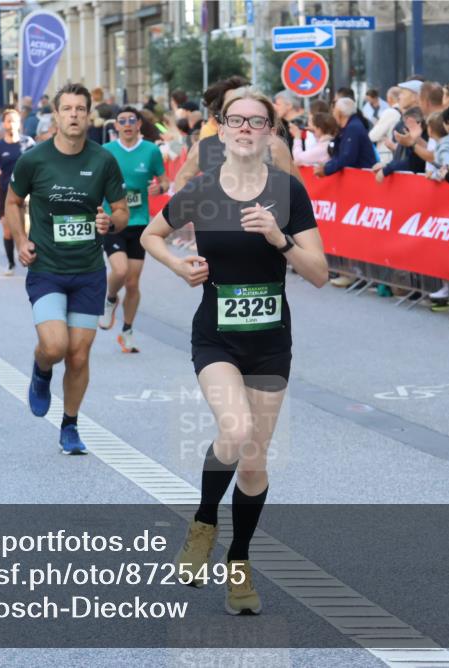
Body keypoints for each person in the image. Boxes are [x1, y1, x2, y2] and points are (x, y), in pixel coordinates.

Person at [140, 88, 327, 615]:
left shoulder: (288, 193)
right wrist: (181, 267)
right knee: (237, 431)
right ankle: (203, 522)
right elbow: (152, 236)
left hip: (270, 342)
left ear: (270, 132)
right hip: (216, 335)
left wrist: (279, 239)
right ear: (221, 131)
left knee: (254, 461)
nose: (245, 129)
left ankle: (238, 563)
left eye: (257, 121)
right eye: (236, 121)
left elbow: (319, 274)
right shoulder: (201, 191)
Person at [4, 83, 128, 455]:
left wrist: (111, 223)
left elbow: (121, 210)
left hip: (89, 271)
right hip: (47, 269)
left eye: (80, 109)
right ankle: (41, 371)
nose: (74, 115)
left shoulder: (102, 160)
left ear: (89, 115)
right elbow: (12, 202)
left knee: (78, 354)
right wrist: (20, 240)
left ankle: (70, 425)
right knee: (56, 346)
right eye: (67, 109)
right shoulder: (34, 160)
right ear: (56, 115)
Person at [97, 106, 168, 353]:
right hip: (114, 219)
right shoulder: (106, 151)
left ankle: (127, 330)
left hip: (139, 223)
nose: (127, 124)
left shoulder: (151, 150)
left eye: (131, 120)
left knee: (133, 283)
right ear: (116, 126)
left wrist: (159, 188)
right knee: (120, 269)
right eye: (122, 121)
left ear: (139, 124)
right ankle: (109, 299)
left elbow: (164, 180)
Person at [0, 108, 35, 275]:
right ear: (3, 124)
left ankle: (28, 257)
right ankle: (10, 263)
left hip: (25, 191)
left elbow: (37, 162)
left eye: (14, 120)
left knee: (26, 227)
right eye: (8, 121)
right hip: (4, 191)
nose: (11, 124)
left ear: (19, 123)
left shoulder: (28, 143)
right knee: (7, 229)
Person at [313, 97, 378, 177]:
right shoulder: (348, 128)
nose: (332, 114)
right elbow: (338, 153)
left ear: (340, 113)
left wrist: (326, 169)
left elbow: (347, 157)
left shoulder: (353, 128)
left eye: (334, 111)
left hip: (363, 177)